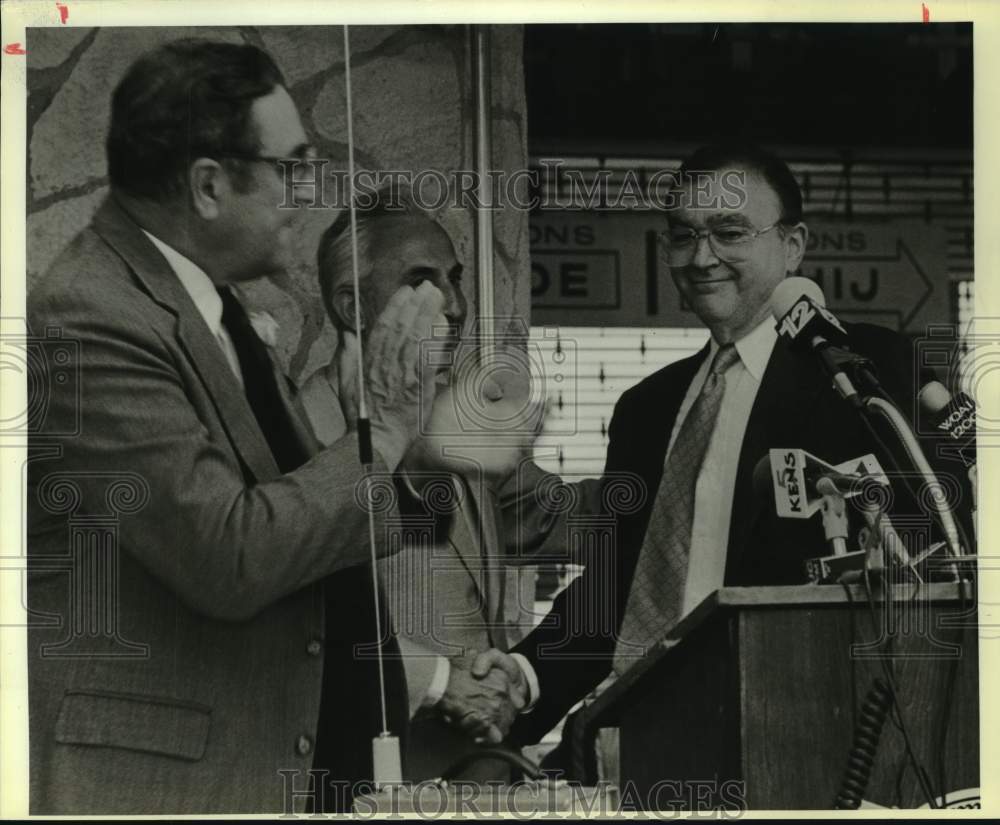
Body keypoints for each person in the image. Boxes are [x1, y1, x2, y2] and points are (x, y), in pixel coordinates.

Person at [26, 39, 443, 814]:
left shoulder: (211, 306)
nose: (308, 194)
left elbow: (285, 526)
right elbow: (226, 555)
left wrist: (364, 439)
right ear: (209, 186)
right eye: (293, 168)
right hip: (157, 789)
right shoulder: (91, 315)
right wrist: (380, 438)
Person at [468, 142, 970, 763]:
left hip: (811, 743)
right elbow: (621, 587)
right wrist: (524, 676)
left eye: (729, 232)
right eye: (684, 236)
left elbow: (944, 554)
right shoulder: (647, 408)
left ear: (793, 245)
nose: (702, 257)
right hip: (650, 740)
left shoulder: (867, 373)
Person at [299, 187, 537, 782]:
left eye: (454, 278)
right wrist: (435, 681)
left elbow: (569, 516)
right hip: (358, 786)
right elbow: (294, 627)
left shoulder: (458, 428)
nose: (454, 304)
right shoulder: (294, 439)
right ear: (352, 306)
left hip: (479, 783)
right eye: (422, 280)